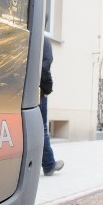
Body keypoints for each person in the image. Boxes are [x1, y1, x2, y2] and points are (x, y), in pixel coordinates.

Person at [40, 36, 64, 176]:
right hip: (37, 91)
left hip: (19, 90)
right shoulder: (43, 41)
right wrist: (47, 89)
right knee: (41, 127)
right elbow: (45, 66)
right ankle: (49, 165)